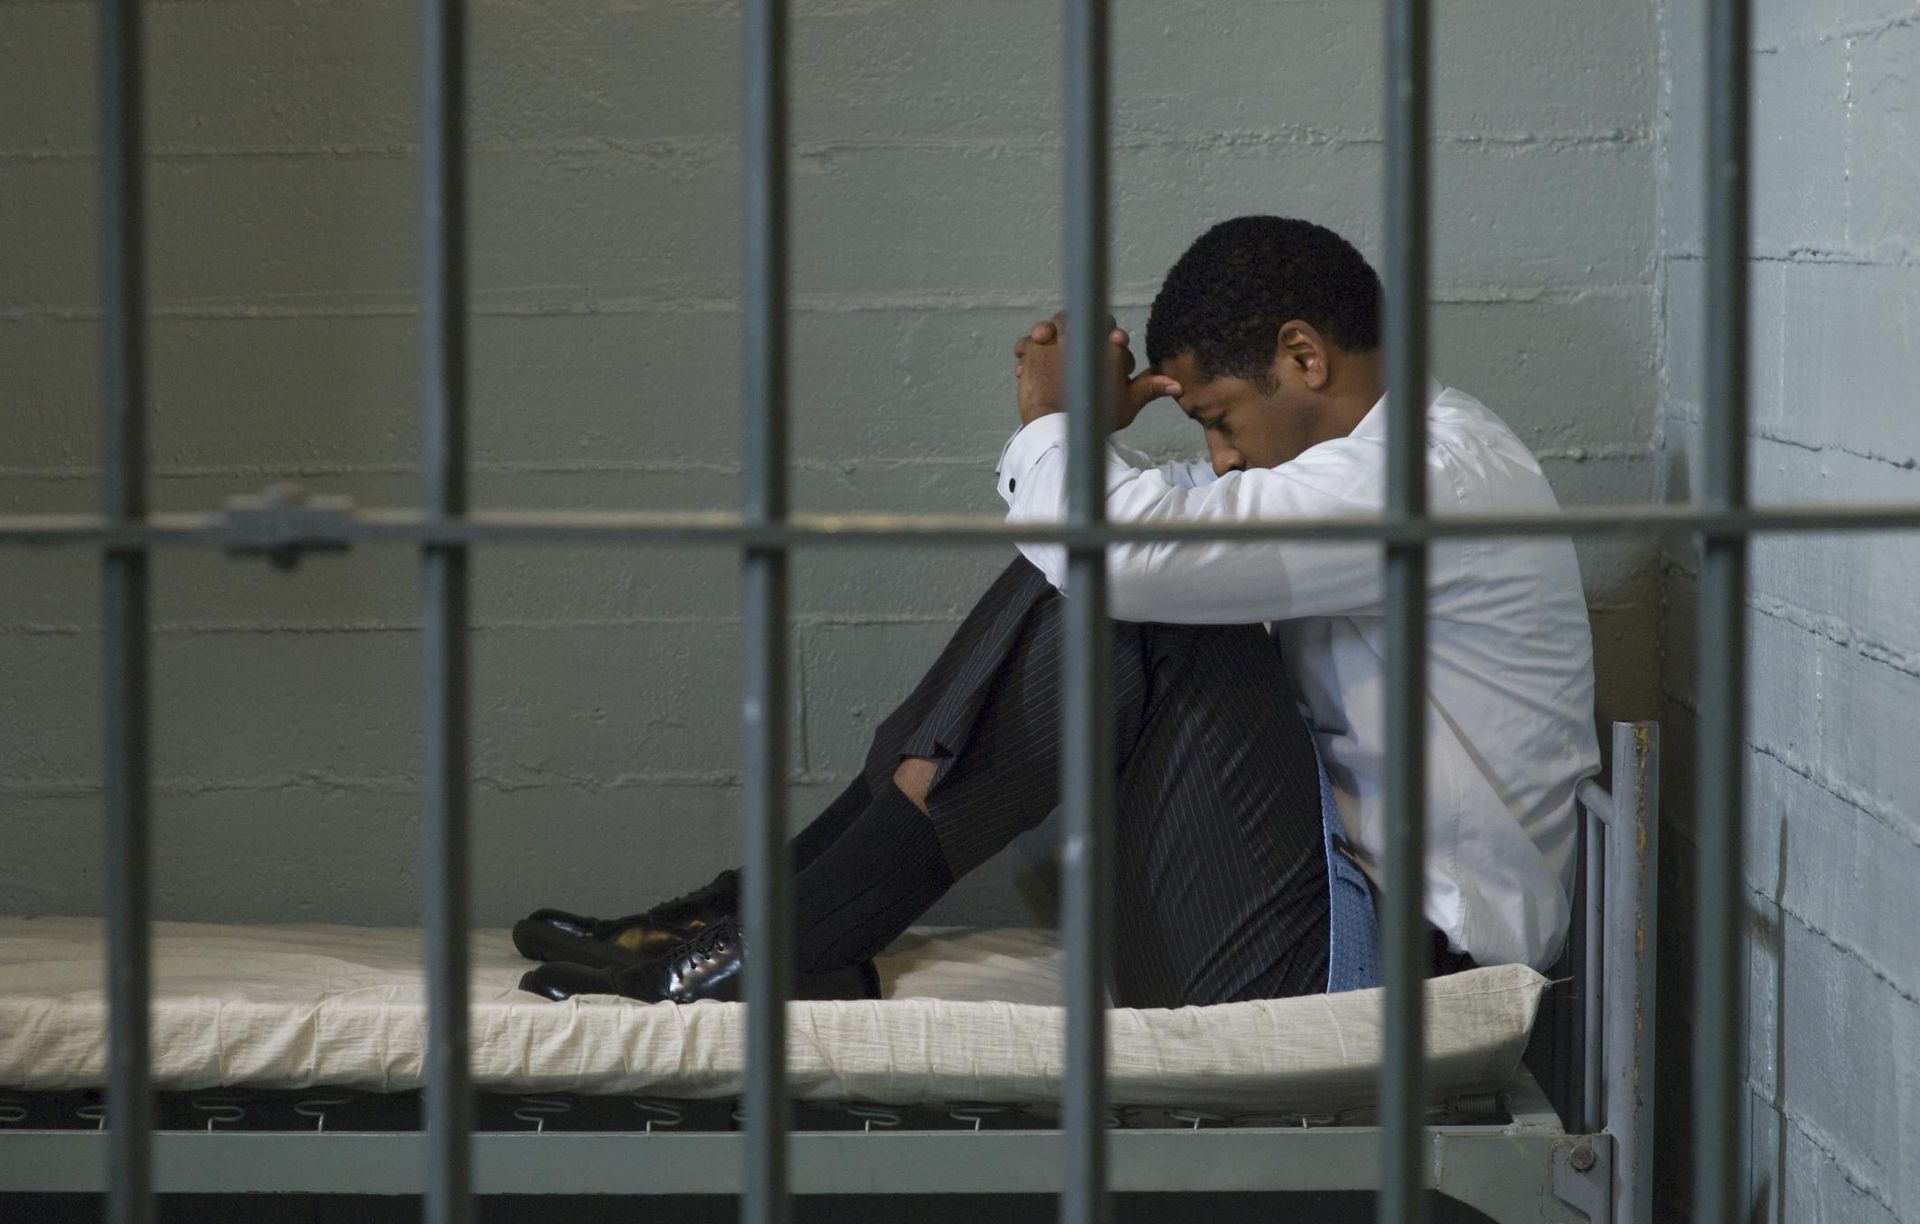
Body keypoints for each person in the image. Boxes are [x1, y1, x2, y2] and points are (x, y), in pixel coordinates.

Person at [515, 215, 1601, 1009]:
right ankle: (755, 924)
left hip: (1388, 972)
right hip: (1305, 917)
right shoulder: (1368, 465)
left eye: (1221, 421)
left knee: (1129, 588)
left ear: (1304, 357)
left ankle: (774, 935)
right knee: (1100, 570)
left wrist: (1057, 425)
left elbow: (1124, 549)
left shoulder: (1426, 473)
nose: (1217, 460)